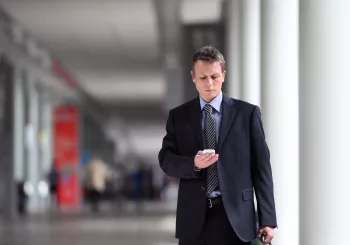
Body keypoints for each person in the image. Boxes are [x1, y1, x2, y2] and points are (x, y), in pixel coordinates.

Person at [158, 45, 277, 245]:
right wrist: (193, 164)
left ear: (223, 75)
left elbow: (262, 168)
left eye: (214, 76)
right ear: (193, 77)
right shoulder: (179, 116)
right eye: (203, 77)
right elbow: (166, 160)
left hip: (237, 218)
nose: (209, 83)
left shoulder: (247, 114)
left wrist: (268, 220)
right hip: (194, 218)